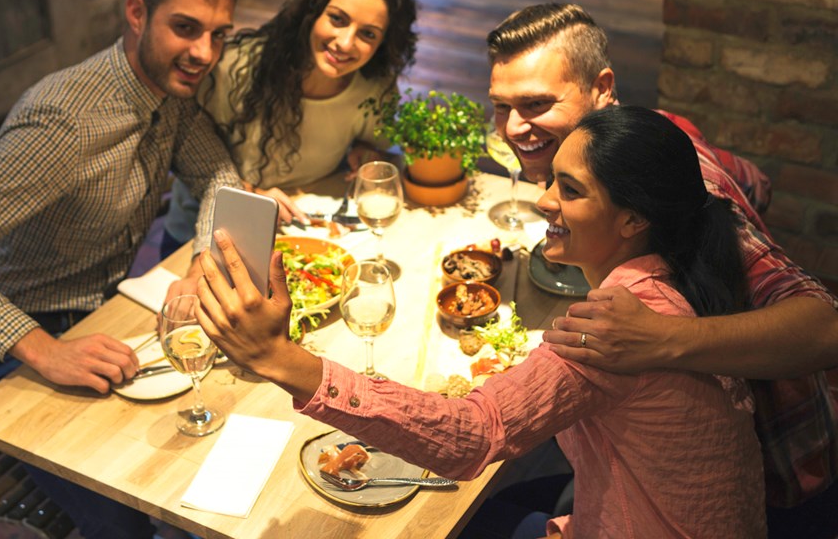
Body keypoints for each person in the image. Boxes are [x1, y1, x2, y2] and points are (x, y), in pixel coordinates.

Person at [190, 105, 767, 538]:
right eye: (550, 181)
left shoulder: (617, 328)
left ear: (633, 219)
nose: (544, 201)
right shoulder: (676, 278)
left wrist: (280, 358)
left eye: (569, 190)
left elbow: (473, 434)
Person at [0, 0, 291, 539]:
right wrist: (44, 350)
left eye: (220, 34)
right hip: (19, 349)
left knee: (217, 442)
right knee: (129, 512)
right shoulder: (65, 121)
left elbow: (216, 170)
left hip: (103, 320)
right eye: (186, 28)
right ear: (137, 12)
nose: (206, 54)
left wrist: (198, 266)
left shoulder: (170, 88)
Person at [483, 3, 838, 535]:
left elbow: (825, 325)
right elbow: (757, 180)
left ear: (602, 88)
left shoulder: (694, 189)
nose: (513, 128)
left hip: (782, 477)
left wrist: (663, 337)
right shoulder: (654, 134)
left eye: (536, 103)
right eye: (501, 106)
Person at [160, 0, 417, 261]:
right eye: (337, 19)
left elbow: (373, 146)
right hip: (201, 239)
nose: (346, 43)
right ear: (312, 11)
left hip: (301, 234)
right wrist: (252, 196)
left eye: (368, 34)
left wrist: (364, 150)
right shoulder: (234, 69)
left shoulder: (374, 89)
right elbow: (184, 157)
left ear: (383, 43)